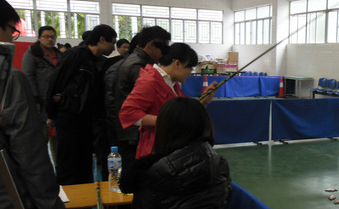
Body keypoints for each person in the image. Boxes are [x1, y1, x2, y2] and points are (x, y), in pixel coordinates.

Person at [0, 0, 71, 209]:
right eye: (11, 31)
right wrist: (50, 206)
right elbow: (28, 152)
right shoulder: (9, 77)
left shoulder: (56, 57)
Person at [46, 24, 117, 186]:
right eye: (112, 43)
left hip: (86, 119)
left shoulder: (98, 61)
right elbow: (56, 82)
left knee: (84, 162)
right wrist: (51, 113)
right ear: (101, 39)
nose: (113, 48)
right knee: (69, 161)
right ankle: (67, 198)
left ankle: (84, 196)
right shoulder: (76, 55)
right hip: (69, 116)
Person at [119, 42, 216, 159]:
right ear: (177, 63)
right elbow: (128, 113)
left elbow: (183, 114)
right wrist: (167, 120)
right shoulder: (150, 82)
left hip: (170, 146)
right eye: (189, 68)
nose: (189, 73)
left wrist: (203, 102)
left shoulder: (172, 83)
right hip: (155, 149)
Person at [114, 26, 171, 167]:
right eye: (163, 49)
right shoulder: (140, 67)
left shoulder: (133, 60)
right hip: (133, 134)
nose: (164, 55)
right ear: (151, 45)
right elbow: (137, 105)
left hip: (128, 131)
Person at [21, 25, 63, 165]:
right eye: (46, 36)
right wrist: (35, 99)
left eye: (52, 37)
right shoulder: (32, 53)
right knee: (40, 139)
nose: (50, 39)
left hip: (57, 103)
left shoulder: (59, 54)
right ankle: (41, 170)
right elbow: (28, 77)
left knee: (57, 141)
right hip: (40, 103)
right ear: (39, 38)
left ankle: (59, 169)